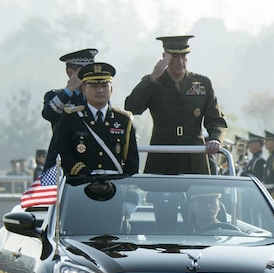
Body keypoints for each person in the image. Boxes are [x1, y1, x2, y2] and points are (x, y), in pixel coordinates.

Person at [124, 35, 227, 174]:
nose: (180, 62)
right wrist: (152, 78)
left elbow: (216, 119)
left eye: (183, 57)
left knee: (199, 194)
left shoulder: (202, 83)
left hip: (193, 153)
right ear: (165, 57)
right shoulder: (153, 83)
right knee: (159, 194)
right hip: (162, 152)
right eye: (174, 57)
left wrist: (215, 139)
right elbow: (131, 107)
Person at [53, 62, 140, 176]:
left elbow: (132, 161)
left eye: (104, 86)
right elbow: (64, 153)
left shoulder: (123, 120)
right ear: (84, 89)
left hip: (115, 184)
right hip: (81, 182)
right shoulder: (71, 117)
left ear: (111, 89)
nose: (100, 90)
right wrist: (87, 173)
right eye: (94, 86)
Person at [43, 48, 98, 170]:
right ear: (70, 72)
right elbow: (49, 114)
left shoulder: (97, 97)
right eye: (83, 72)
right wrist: (68, 90)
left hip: (91, 159)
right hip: (62, 161)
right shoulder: (55, 96)